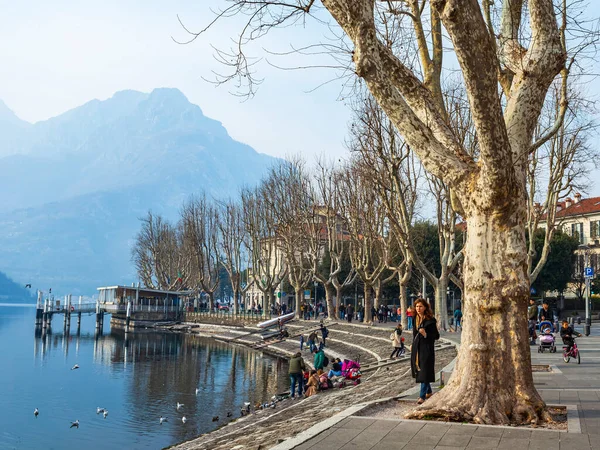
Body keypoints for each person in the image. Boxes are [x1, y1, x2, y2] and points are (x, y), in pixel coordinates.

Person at [410, 298, 440, 405]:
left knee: (425, 371)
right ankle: (429, 391)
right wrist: (412, 344)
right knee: (421, 371)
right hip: (417, 348)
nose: (418, 308)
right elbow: (414, 334)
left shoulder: (430, 320)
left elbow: (436, 336)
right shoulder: (415, 319)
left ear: (425, 307)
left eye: (420, 306)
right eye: (417, 306)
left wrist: (425, 334)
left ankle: (422, 397)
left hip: (427, 349)